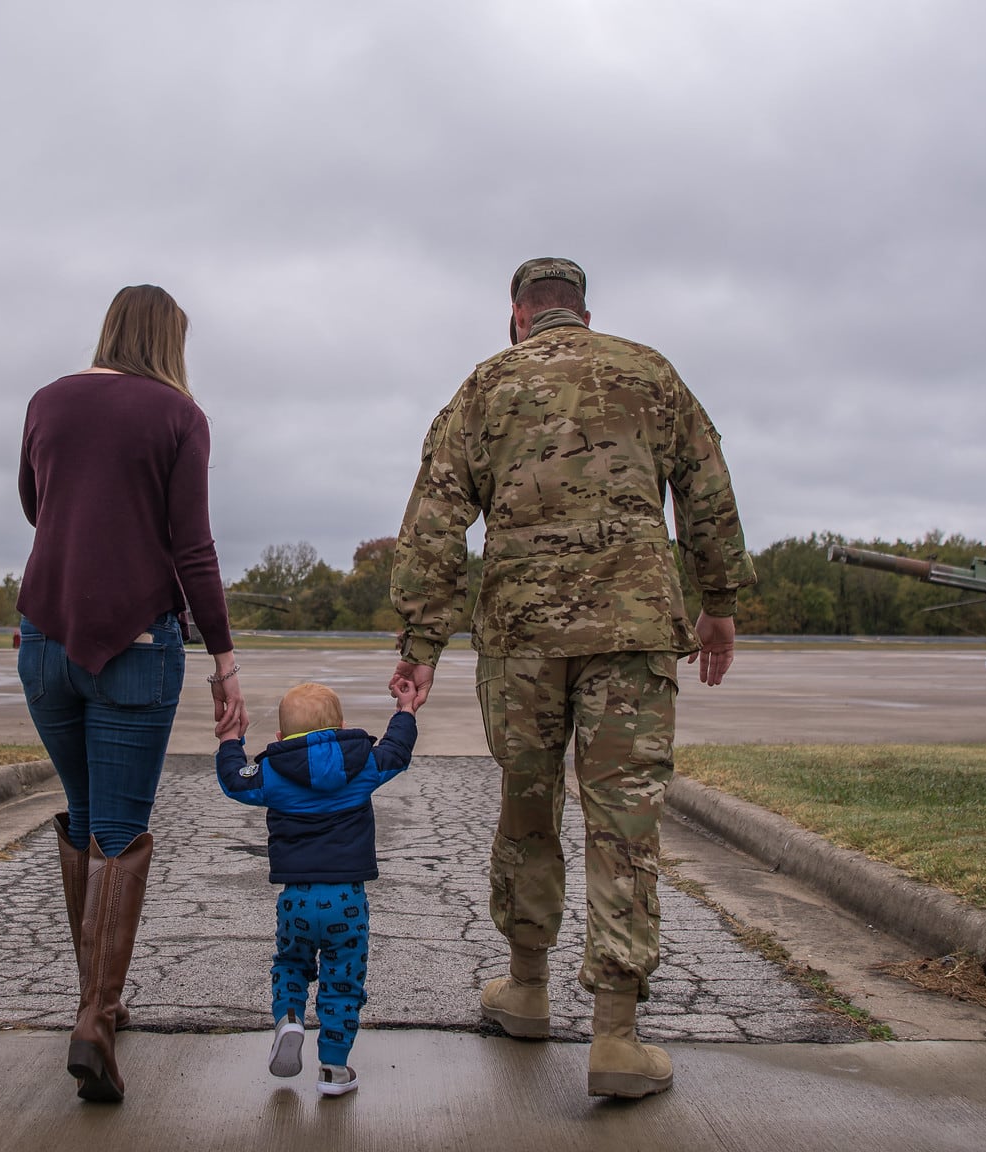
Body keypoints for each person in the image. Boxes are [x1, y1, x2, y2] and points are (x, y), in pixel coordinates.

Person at [387, 258, 754, 1100]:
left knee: (528, 806)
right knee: (625, 822)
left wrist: (421, 636)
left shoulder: (487, 385)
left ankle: (526, 988)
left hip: (521, 636)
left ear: (517, 315)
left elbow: (438, 512)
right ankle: (617, 1036)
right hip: (631, 631)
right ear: (585, 313)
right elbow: (707, 490)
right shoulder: (650, 374)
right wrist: (719, 601)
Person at [14, 283, 249, 1104]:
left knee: (83, 822)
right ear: (169, 342)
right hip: (136, 643)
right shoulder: (179, 415)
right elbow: (192, 547)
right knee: (119, 830)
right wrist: (224, 657)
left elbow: (36, 507)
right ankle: (96, 1018)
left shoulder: (47, 401)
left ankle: (95, 1006)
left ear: (110, 328)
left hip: (44, 638)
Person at [215, 681, 420, 1098]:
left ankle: (289, 1018)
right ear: (341, 726)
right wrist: (406, 711)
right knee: (343, 981)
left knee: (291, 963)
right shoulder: (362, 764)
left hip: (297, 898)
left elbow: (235, 780)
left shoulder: (272, 772)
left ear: (280, 738)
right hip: (348, 901)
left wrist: (230, 739)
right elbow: (397, 752)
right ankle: (334, 1067)